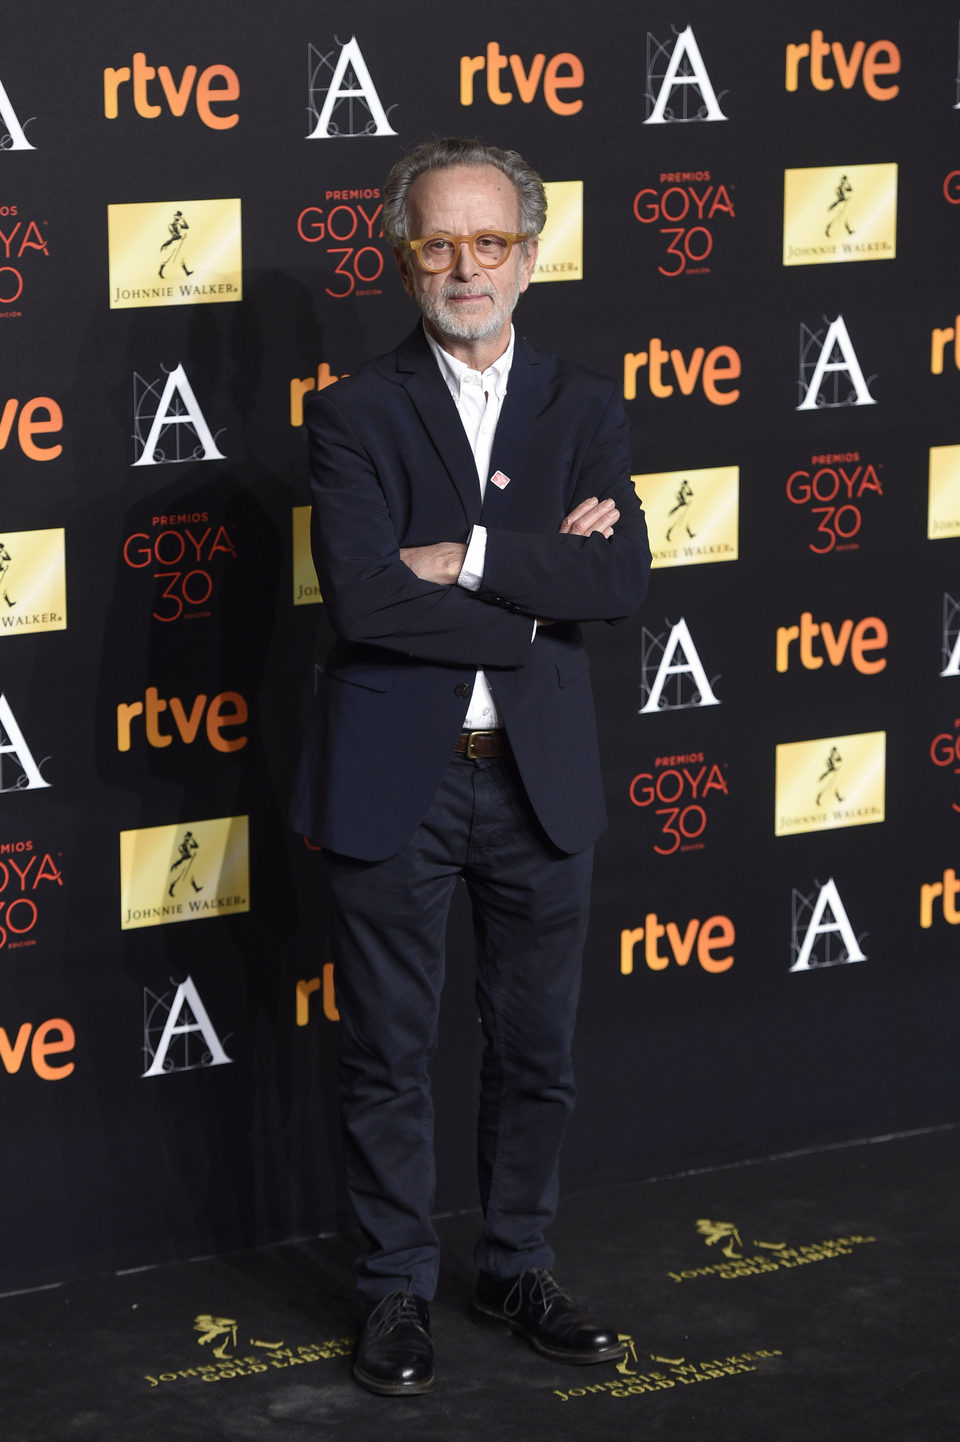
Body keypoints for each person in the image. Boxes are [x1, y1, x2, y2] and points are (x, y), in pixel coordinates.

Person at [293, 137, 650, 1396]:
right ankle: (395, 1288)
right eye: (439, 241)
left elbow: (620, 578)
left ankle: (513, 1265)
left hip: (538, 777)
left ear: (530, 256)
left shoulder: (584, 405)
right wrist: (537, 585)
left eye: (488, 241)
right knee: (388, 1051)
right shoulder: (350, 411)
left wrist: (471, 554)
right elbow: (367, 601)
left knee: (537, 1047)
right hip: (400, 773)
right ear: (405, 258)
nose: (465, 266)